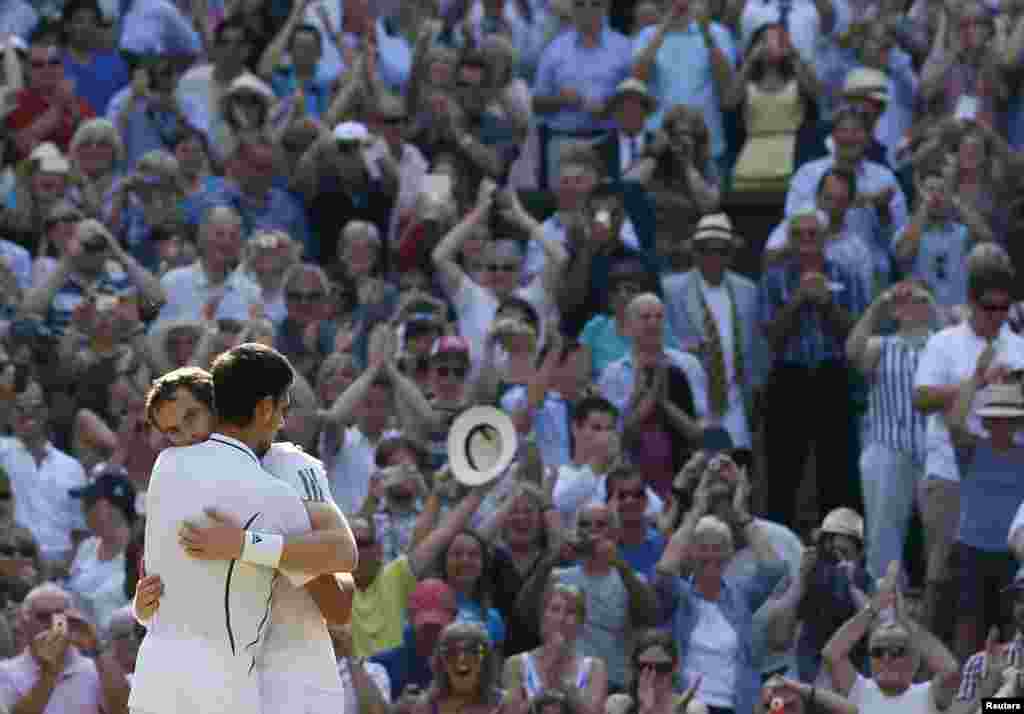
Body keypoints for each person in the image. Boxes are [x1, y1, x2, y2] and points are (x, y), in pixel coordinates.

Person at [128, 344, 355, 714]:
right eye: (173, 431)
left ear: (215, 406)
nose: (187, 435)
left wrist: (250, 545)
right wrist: (142, 608)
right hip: (225, 687)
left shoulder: (295, 469)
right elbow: (161, 590)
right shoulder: (174, 472)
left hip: (294, 685)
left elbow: (339, 597)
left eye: (192, 418)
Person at [502, 583, 608, 714]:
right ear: (543, 616)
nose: (561, 618)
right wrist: (550, 667)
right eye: (555, 609)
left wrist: (570, 693)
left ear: (581, 622)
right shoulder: (516, 664)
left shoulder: (595, 667)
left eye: (571, 612)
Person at [0, 582, 103, 713]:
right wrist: (50, 672)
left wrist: (97, 648)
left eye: (60, 616)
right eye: (43, 616)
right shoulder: (5, 673)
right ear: (24, 623)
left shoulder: (94, 669)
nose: (52, 624)